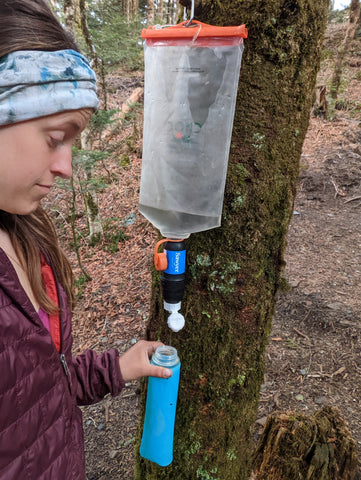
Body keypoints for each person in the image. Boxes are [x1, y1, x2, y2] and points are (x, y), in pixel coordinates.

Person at [0, 1, 172, 478]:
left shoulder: (24, 233)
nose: (65, 167)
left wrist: (114, 369)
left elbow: (35, 393)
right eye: (55, 137)